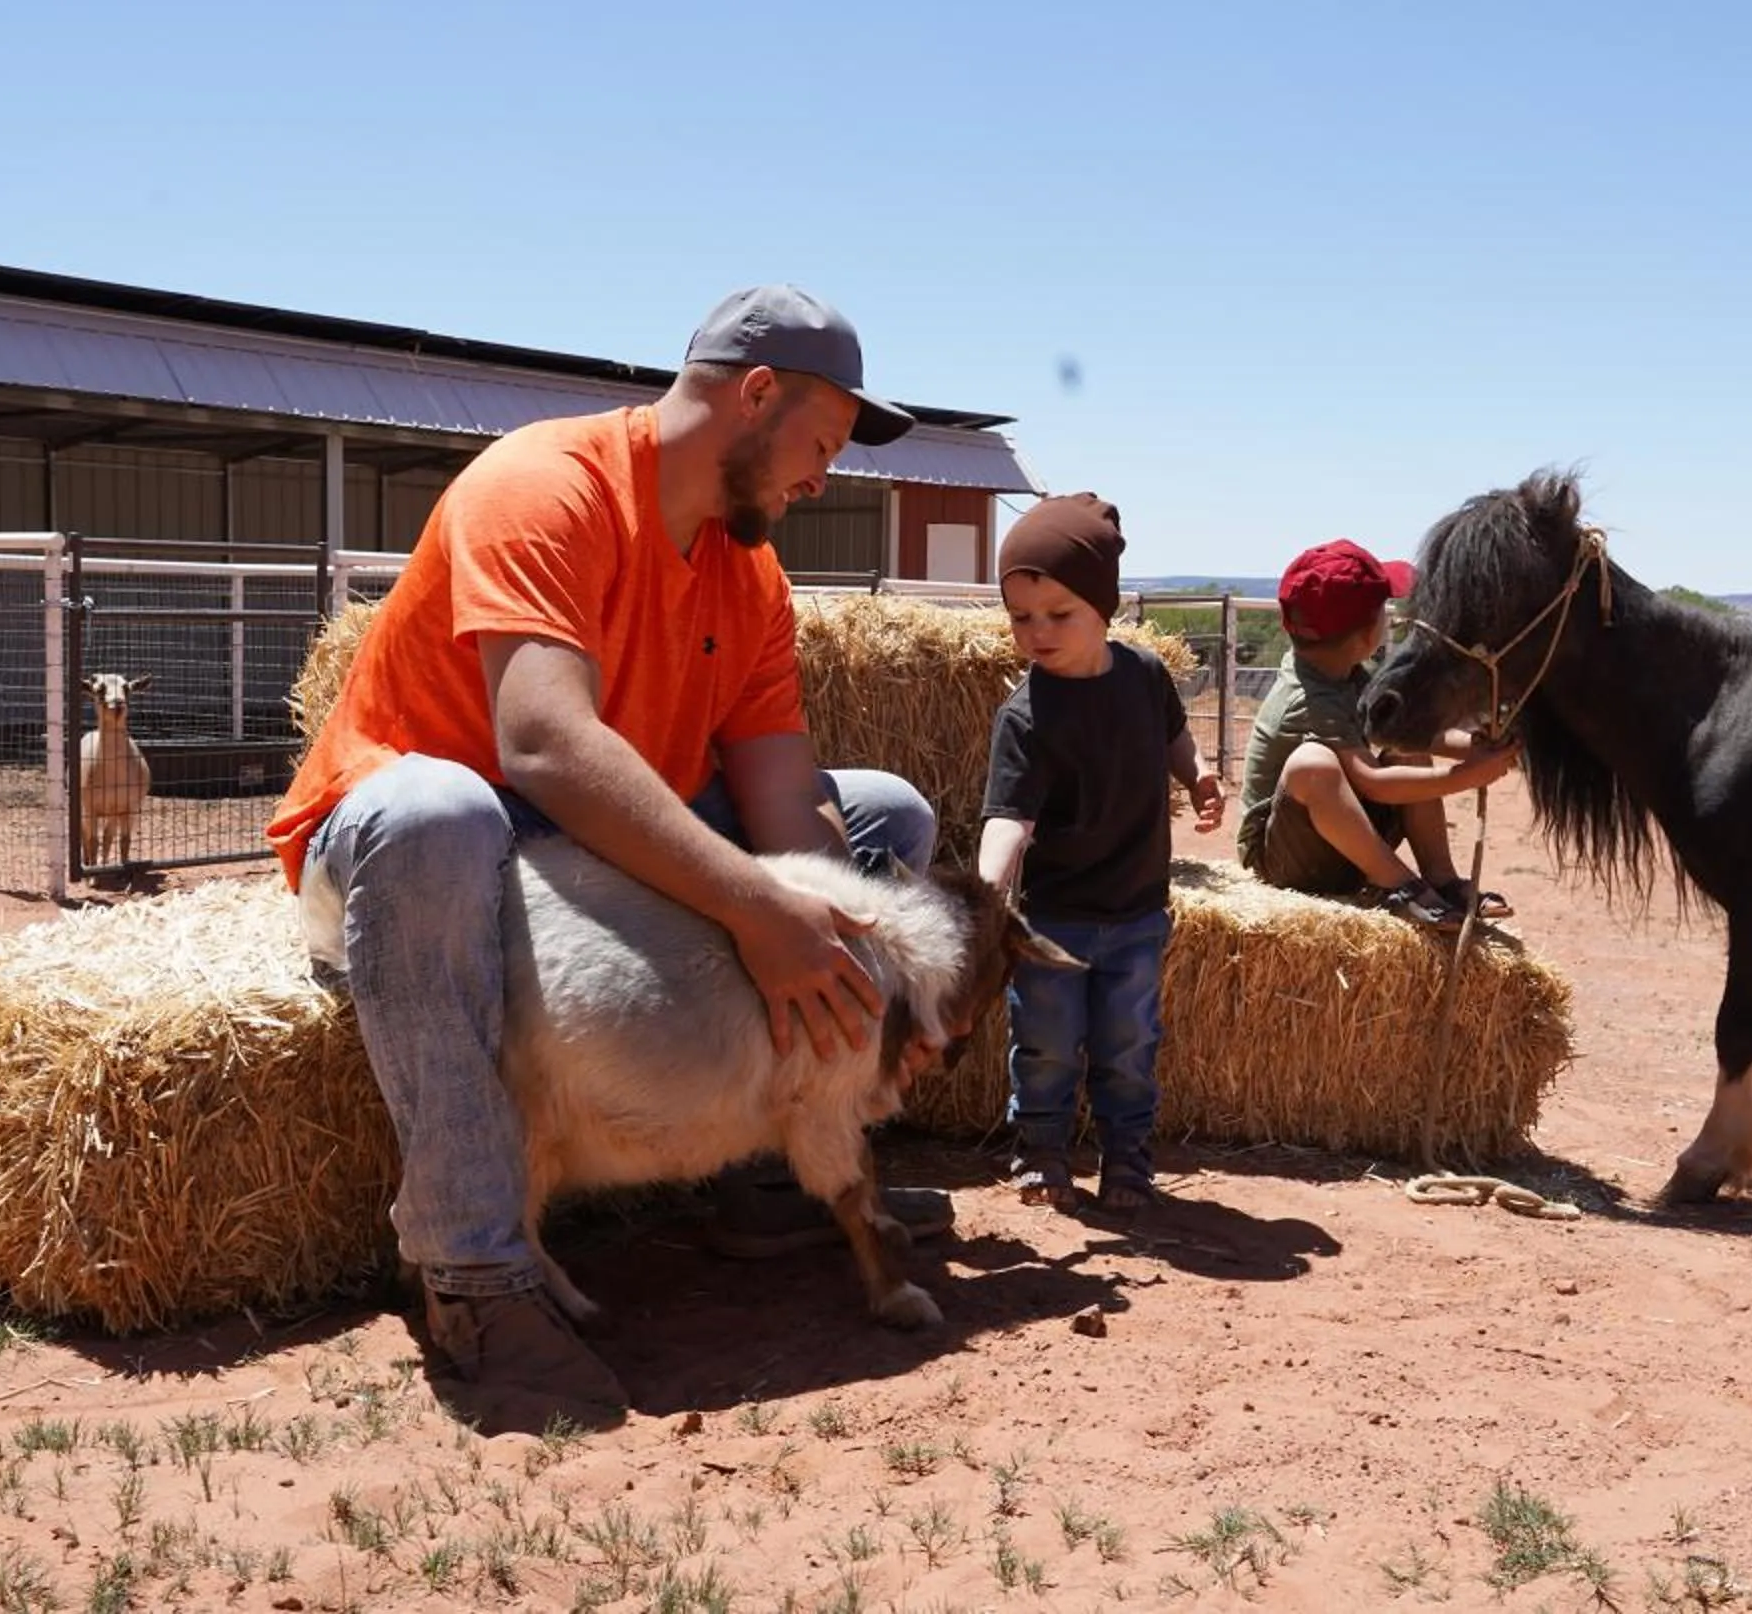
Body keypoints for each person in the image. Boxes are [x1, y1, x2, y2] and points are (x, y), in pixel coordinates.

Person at [267, 284, 952, 1430]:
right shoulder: (546, 484)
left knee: (888, 818)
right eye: (823, 444)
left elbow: (787, 800)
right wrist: (756, 910)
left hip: (589, 855)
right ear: (756, 393)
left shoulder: (750, 574)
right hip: (429, 856)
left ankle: (776, 1161)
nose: (822, 479)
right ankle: (473, 1267)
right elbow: (542, 742)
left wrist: (868, 966)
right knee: (436, 811)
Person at [975, 494, 1221, 1215]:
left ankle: (1128, 1161)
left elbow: (1174, 734)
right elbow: (1009, 816)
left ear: (1103, 608)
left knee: (1129, 1045)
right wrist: (986, 890)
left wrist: (1198, 773)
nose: (1037, 632)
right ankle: (1042, 1151)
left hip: (1138, 911)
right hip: (1053, 920)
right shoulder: (1026, 716)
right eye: (1021, 617)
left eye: (1059, 614)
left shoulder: (1145, 675)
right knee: (1047, 1044)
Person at [1233, 539, 1520, 930]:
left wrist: (1474, 748)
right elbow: (1373, 783)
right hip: (1284, 860)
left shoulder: (1341, 673)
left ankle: (1441, 880)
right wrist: (1468, 775)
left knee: (1406, 743)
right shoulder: (1309, 698)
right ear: (1367, 635)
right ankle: (1401, 887)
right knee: (1312, 767)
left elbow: (1414, 738)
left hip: (1338, 845)